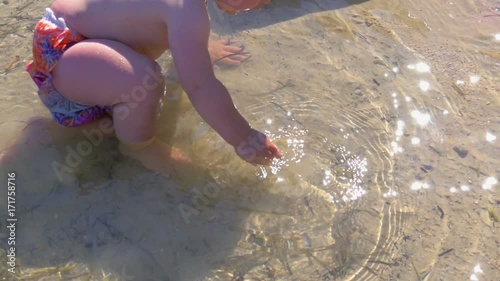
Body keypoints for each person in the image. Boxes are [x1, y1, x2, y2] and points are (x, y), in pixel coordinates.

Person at [17, 0, 281, 175]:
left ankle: (72, 130)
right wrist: (243, 137)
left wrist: (197, 49)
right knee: (144, 79)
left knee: (120, 108)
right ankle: (138, 147)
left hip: (68, 44)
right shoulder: (187, 9)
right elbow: (199, 86)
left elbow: (141, 15)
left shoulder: (185, 9)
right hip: (68, 54)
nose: (263, 5)